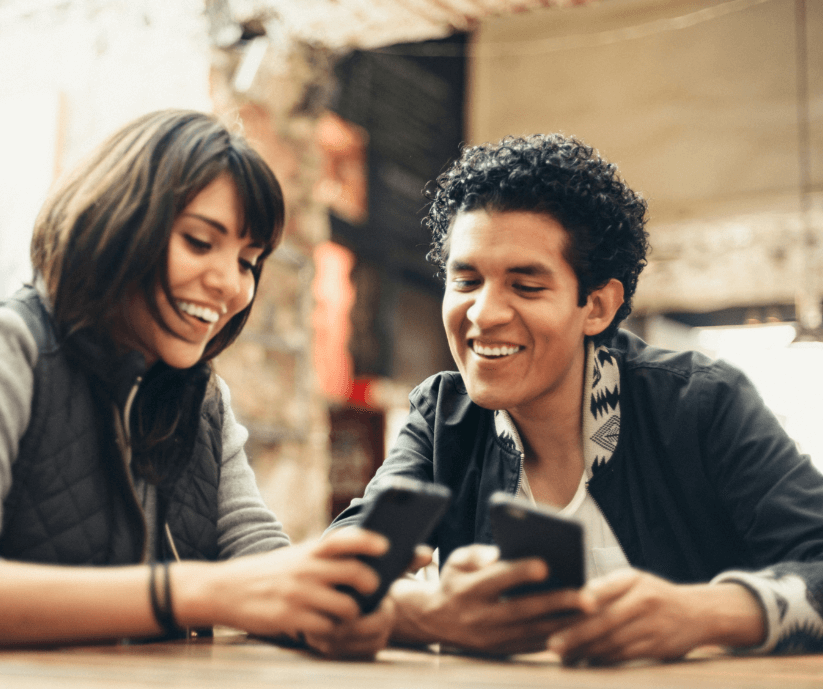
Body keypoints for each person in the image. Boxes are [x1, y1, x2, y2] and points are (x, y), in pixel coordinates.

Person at [0, 110, 391, 654]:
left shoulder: (203, 399)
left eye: (249, 262)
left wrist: (409, 612)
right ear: (118, 221)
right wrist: (193, 592)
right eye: (199, 242)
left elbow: (259, 563)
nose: (230, 285)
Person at [326, 134, 823, 663]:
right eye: (466, 280)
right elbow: (336, 575)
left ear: (597, 306)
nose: (483, 314)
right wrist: (428, 613)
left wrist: (700, 613)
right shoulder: (442, 419)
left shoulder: (700, 403)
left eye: (526, 286)